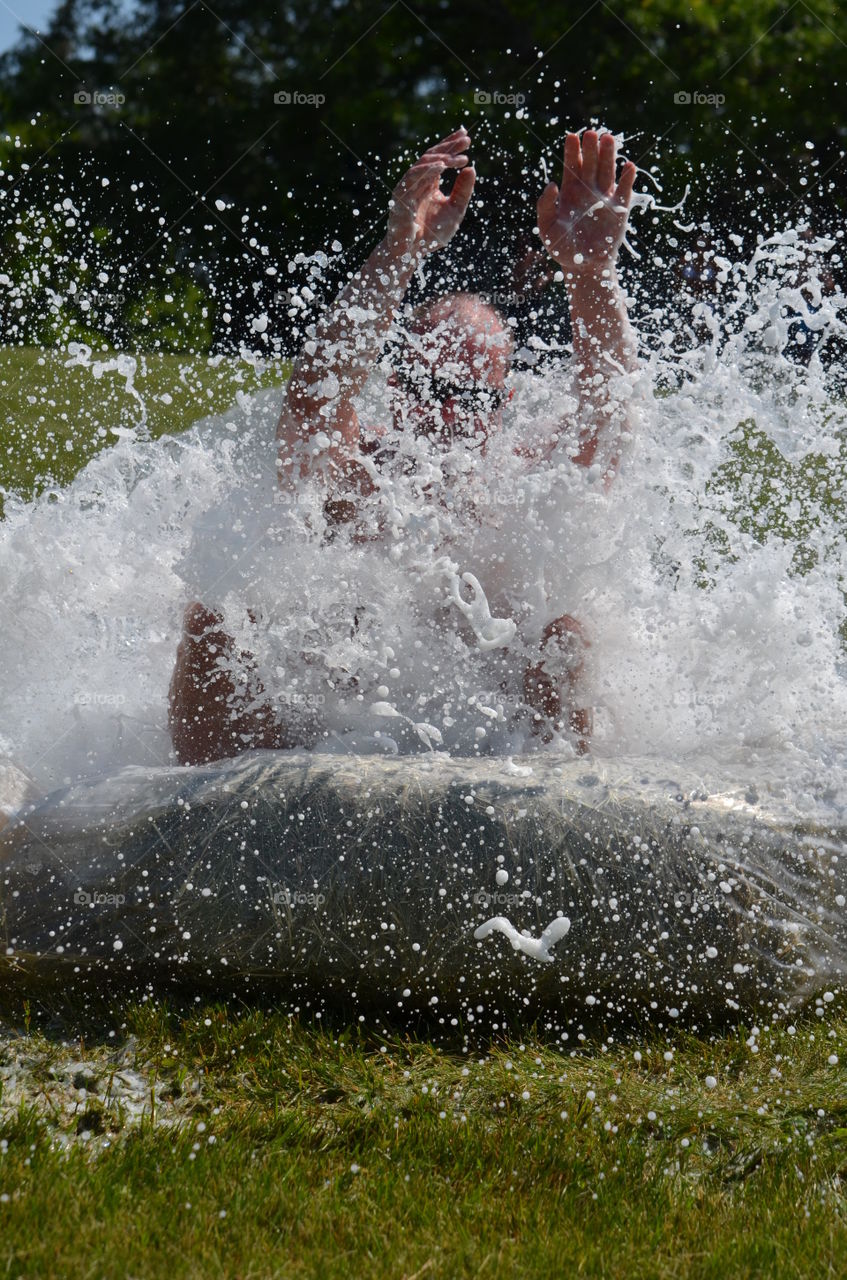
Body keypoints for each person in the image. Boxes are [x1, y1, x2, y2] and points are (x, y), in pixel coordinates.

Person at [168, 127, 638, 766]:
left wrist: (591, 276)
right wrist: (399, 253)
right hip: (333, 737)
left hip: (499, 745)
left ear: (501, 407)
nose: (444, 412)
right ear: (395, 383)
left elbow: (608, 419)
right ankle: (200, 829)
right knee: (211, 626)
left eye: (469, 398)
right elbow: (312, 399)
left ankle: (554, 834)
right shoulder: (362, 474)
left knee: (566, 640)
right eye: (427, 385)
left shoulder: (521, 487)